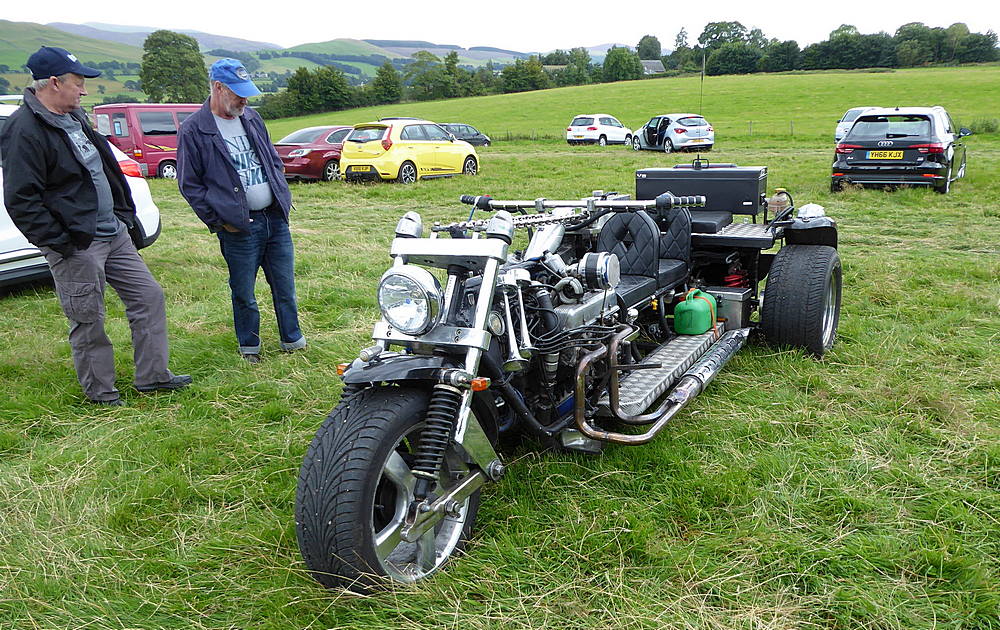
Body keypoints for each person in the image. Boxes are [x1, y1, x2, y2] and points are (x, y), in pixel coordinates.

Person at [0, 46, 191, 405]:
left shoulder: (76, 117)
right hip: (76, 242)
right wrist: (61, 243)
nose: (84, 90)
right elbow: (21, 200)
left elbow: (103, 169)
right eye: (77, 82)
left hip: (113, 232)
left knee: (148, 296)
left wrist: (123, 215)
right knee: (88, 317)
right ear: (54, 82)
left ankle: (153, 376)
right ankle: (101, 393)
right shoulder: (23, 129)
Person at [177, 59, 305, 364]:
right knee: (244, 293)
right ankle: (250, 348)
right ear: (218, 88)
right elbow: (189, 185)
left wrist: (280, 196)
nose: (244, 100)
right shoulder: (194, 130)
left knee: (285, 287)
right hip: (238, 228)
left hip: (274, 219)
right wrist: (220, 221)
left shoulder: (252, 118)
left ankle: (293, 341)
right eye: (238, 93)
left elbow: (272, 159)